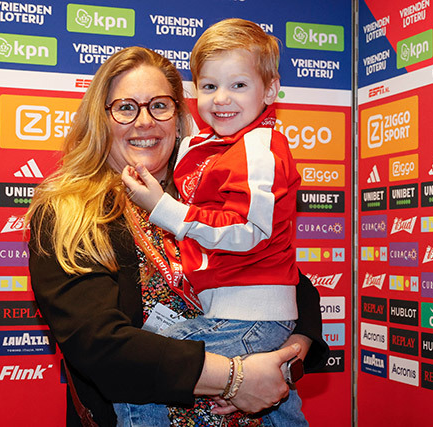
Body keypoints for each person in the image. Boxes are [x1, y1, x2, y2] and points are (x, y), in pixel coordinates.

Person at [27, 46, 327, 427]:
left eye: (159, 106)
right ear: (100, 119)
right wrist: (236, 379)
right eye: (125, 108)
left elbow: (292, 286)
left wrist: (287, 361)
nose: (144, 122)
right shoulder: (68, 212)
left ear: (179, 117)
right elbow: (99, 345)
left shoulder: (204, 195)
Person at [120, 19, 311, 426]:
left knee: (143, 370)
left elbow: (250, 232)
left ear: (270, 91)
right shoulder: (208, 149)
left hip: (249, 314)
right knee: (282, 410)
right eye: (209, 86)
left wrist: (165, 208)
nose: (221, 98)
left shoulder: (258, 148)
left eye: (238, 85)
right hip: (233, 313)